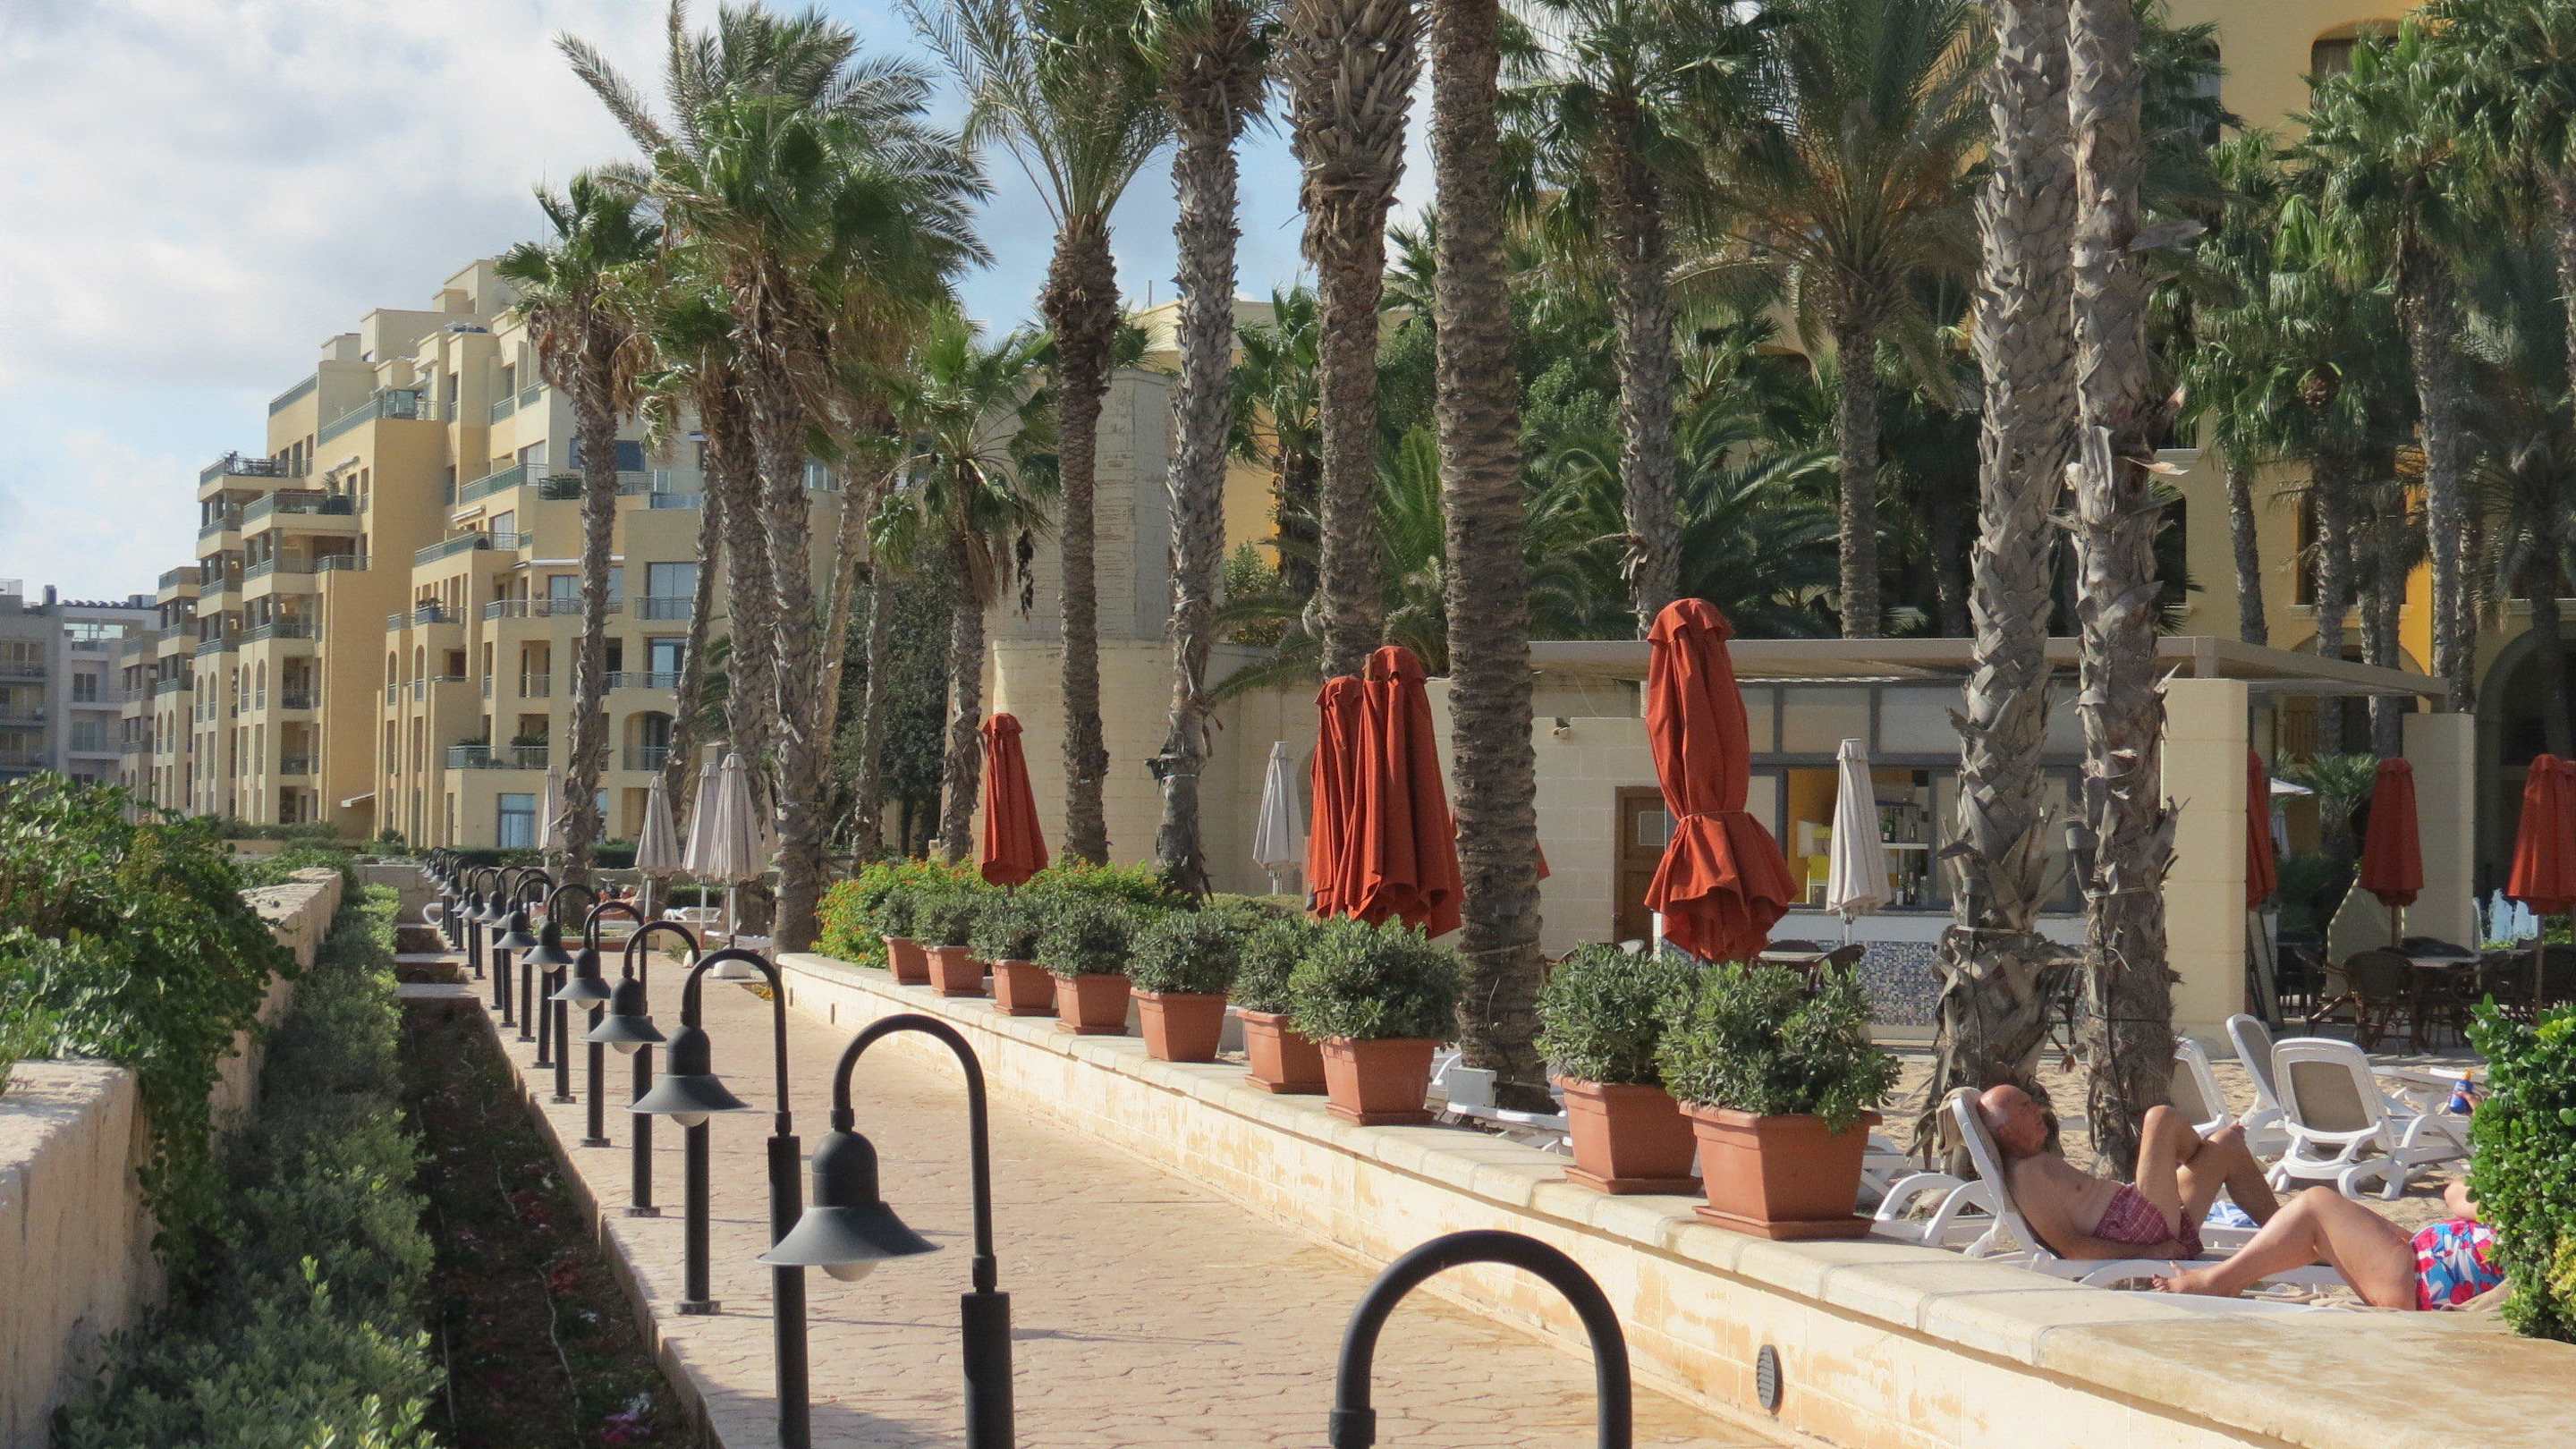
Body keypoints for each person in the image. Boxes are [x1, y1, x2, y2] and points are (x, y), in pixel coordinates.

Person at [1976, 1084, 2280, 1260]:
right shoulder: (2026, 1176)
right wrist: (2149, 1254)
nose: (2037, 1111)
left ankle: (2288, 1239)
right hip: (2134, 1231)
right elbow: (2071, 1247)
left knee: (2226, 1145)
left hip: (2139, 1218)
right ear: (2006, 1131)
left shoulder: (2035, 1159)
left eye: (2032, 1104)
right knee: (2159, 1118)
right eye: (2025, 1109)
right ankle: (2197, 1152)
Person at [2155, 1182, 2501, 1310]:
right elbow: (2457, 1193)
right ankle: (2230, 1279)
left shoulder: (2518, 1202)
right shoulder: (2524, 1201)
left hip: (2421, 1281)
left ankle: (2221, 1282)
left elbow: (2456, 1194)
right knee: (2327, 1223)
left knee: (2316, 1205)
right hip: (2426, 1263)